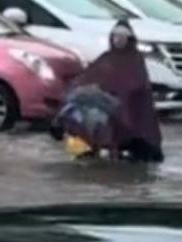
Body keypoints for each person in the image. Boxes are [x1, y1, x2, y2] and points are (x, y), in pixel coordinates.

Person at [57, 21, 163, 163]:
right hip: (108, 107)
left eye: (121, 37)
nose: (117, 40)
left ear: (129, 39)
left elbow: (138, 85)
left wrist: (120, 95)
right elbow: (90, 77)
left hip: (129, 110)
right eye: (115, 37)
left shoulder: (136, 60)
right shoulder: (106, 58)